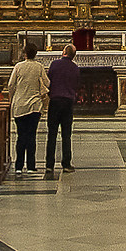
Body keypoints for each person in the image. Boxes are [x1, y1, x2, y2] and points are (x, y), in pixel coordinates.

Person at [8, 42, 48, 173]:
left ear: (24, 54)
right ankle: (31, 166)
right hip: (34, 105)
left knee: (21, 136)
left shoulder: (18, 66)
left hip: (20, 105)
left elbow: (10, 85)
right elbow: (47, 83)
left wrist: (12, 97)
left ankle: (18, 166)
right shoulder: (39, 67)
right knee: (31, 136)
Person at [45, 43, 81, 173]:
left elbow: (48, 81)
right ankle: (66, 164)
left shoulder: (54, 64)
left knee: (52, 134)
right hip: (67, 102)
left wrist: (51, 94)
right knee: (66, 135)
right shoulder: (75, 68)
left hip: (55, 101)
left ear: (63, 52)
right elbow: (76, 84)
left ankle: (49, 165)